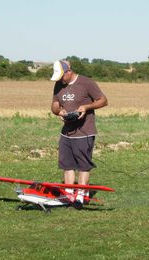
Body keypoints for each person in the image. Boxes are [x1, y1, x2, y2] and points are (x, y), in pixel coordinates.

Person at [50, 60, 108, 208]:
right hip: (66, 133)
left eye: (61, 76)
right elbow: (55, 106)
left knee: (83, 166)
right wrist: (59, 111)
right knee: (67, 165)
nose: (59, 80)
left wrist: (86, 107)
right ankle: (69, 196)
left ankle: (81, 197)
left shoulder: (86, 83)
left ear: (68, 71)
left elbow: (103, 100)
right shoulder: (58, 84)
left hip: (84, 132)